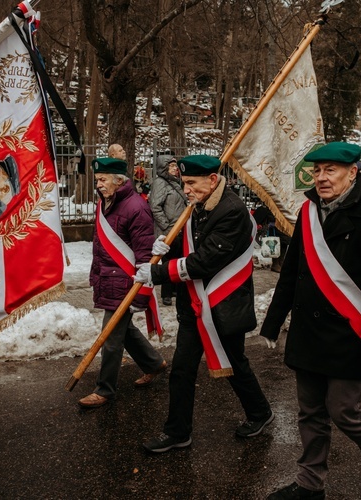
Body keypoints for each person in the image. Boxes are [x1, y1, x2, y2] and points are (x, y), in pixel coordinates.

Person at [260, 142, 361, 500]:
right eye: (317, 171)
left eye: (331, 171)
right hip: (309, 333)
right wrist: (273, 320)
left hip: (350, 333)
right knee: (310, 412)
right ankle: (310, 483)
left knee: (344, 412)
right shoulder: (309, 211)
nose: (321, 178)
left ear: (352, 172)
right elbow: (292, 271)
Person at [135, 155, 273, 453]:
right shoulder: (199, 204)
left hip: (223, 306)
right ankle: (178, 432)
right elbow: (190, 245)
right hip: (195, 306)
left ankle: (260, 413)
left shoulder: (231, 210)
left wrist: (158, 272)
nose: (186, 190)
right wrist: (167, 247)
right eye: (184, 184)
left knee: (236, 365)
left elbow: (207, 259)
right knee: (182, 370)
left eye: (191, 183)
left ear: (212, 180)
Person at [79, 157, 167, 408]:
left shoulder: (136, 208)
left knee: (111, 337)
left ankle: (105, 389)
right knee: (123, 330)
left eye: (103, 179)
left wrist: (141, 294)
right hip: (109, 280)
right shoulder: (105, 202)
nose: (99, 184)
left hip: (126, 284)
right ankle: (154, 363)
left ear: (119, 181)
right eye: (97, 180)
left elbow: (144, 254)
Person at [149, 154, 188, 305]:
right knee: (168, 262)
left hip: (179, 229)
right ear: (164, 168)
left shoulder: (175, 183)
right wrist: (166, 225)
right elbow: (155, 206)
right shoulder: (160, 183)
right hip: (168, 231)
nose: (175, 169)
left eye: (175, 166)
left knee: (178, 260)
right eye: (171, 166)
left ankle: (175, 290)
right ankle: (166, 294)